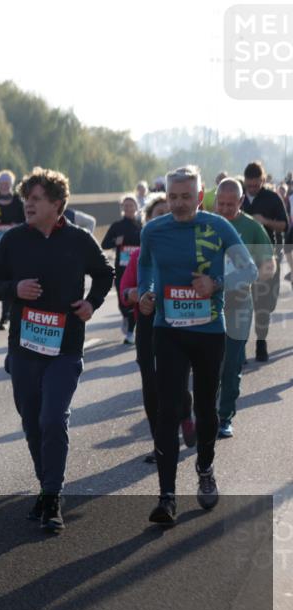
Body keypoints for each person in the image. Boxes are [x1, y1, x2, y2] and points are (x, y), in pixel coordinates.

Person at [0, 167, 114, 533]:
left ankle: (53, 495)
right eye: (27, 198)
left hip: (65, 347)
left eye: (36, 199)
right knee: (31, 420)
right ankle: (46, 484)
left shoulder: (79, 239)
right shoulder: (13, 240)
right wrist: (15, 289)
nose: (28, 204)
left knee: (53, 419)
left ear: (57, 205)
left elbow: (105, 273)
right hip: (23, 349)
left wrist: (92, 304)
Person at [137, 166, 257, 525]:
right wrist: (147, 292)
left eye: (186, 196)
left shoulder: (218, 226)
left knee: (207, 409)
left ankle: (205, 467)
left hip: (208, 332)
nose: (178, 203)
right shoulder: (153, 230)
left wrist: (216, 283)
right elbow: (145, 266)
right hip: (167, 329)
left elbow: (249, 270)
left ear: (200, 194)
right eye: (172, 196)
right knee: (167, 410)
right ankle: (166, 496)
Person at [120, 194, 195, 465]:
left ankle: (186, 411)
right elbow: (124, 291)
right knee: (151, 385)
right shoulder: (139, 254)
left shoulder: (190, 251)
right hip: (149, 325)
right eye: (157, 215)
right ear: (147, 223)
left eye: (168, 214)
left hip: (181, 323)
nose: (163, 219)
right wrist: (136, 296)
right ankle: (160, 443)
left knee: (176, 382)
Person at [213, 179, 275, 439]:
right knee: (208, 365)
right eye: (221, 203)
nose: (226, 209)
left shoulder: (251, 228)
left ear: (240, 202)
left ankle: (225, 416)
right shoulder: (206, 224)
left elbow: (268, 264)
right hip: (207, 306)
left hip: (239, 305)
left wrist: (248, 278)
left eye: (231, 204)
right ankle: (204, 413)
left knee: (231, 364)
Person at [242, 161, 290, 362]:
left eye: (256, 184)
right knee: (240, 304)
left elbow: (285, 226)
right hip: (242, 258)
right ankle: (240, 348)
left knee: (265, 303)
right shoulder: (238, 198)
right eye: (249, 185)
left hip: (268, 256)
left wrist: (266, 221)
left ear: (263, 180)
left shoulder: (272, 198)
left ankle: (261, 341)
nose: (252, 188)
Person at [0, 170, 26, 330]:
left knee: (12, 279)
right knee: (1, 279)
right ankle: (6, 315)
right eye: (1, 183)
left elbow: (26, 222)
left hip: (15, 247)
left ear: (11, 184)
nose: (4, 185)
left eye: (7, 183)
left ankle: (6, 316)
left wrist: (14, 226)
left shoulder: (18, 202)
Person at [101, 195, 143, 344]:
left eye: (131, 205)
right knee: (122, 301)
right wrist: (115, 242)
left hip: (138, 269)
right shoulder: (117, 226)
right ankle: (127, 317)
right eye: (125, 206)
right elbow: (104, 244)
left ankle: (131, 332)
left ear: (136, 207)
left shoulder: (142, 226)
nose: (128, 208)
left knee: (133, 299)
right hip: (121, 269)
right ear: (122, 208)